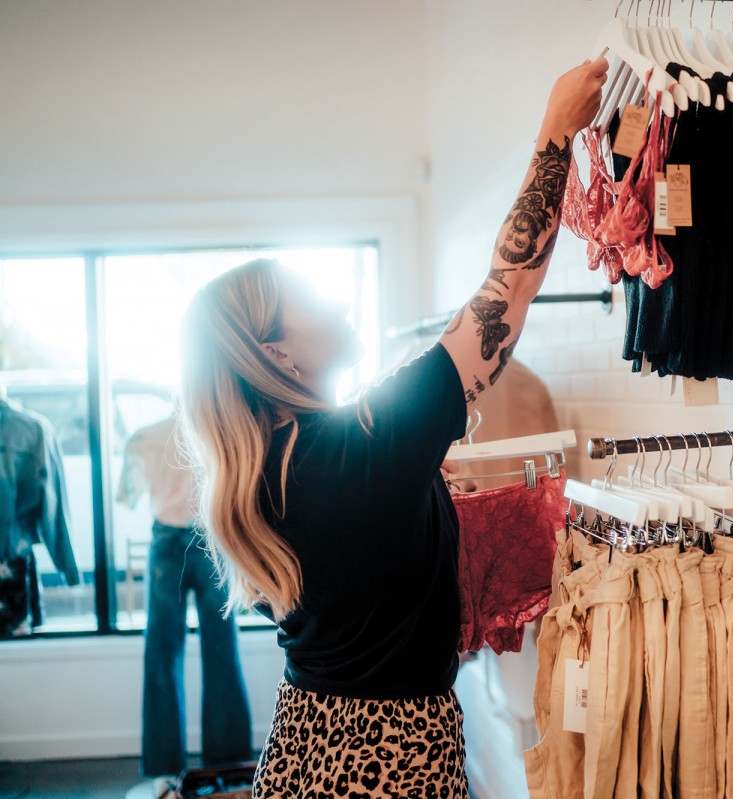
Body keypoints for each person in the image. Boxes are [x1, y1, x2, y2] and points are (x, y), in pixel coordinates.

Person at [178, 58, 606, 796]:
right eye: (311, 298)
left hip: (309, 742)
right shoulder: (358, 447)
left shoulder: (271, 468)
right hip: (389, 758)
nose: (337, 301)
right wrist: (555, 133)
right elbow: (507, 291)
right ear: (276, 353)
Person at [117, 414, 252, 777]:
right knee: (222, 648)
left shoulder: (144, 437)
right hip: (211, 539)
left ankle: (164, 767)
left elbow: (127, 496)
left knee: (162, 652)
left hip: (168, 540)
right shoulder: (218, 429)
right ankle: (228, 762)